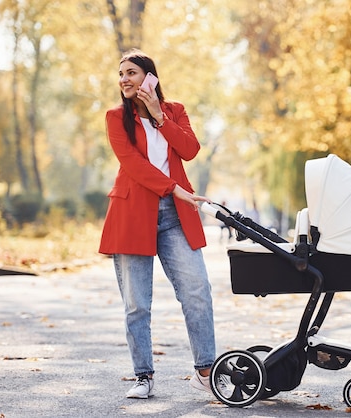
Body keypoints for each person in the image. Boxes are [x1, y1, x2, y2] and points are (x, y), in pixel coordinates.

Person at [99, 49, 216, 399]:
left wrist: (158, 116)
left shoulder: (174, 111)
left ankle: (206, 372)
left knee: (197, 291)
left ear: (150, 77)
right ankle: (143, 376)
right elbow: (132, 165)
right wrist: (173, 188)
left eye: (131, 73)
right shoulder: (114, 118)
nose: (124, 79)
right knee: (137, 303)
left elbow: (190, 149)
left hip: (176, 215)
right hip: (133, 214)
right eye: (121, 74)